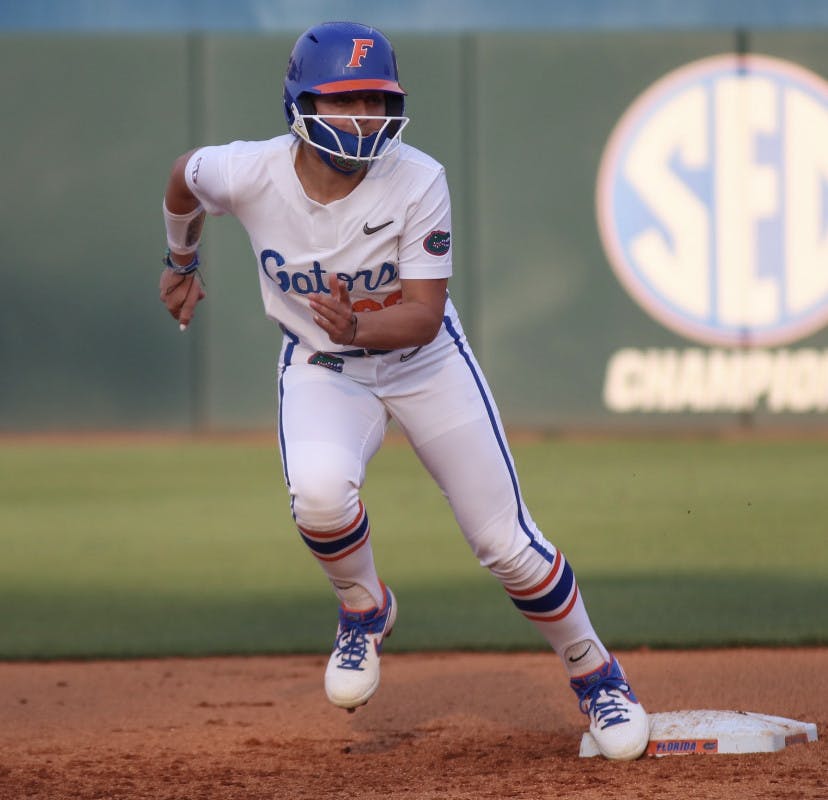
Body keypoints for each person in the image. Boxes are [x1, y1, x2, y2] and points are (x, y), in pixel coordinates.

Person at [159, 21, 650, 760]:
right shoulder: (246, 170)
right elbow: (182, 177)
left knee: (506, 545)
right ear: (299, 103)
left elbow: (421, 317)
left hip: (422, 361)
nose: (363, 115)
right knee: (320, 495)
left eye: (377, 99)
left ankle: (596, 674)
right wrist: (180, 259)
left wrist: (358, 325)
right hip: (324, 363)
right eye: (344, 99)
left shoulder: (417, 176)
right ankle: (364, 609)